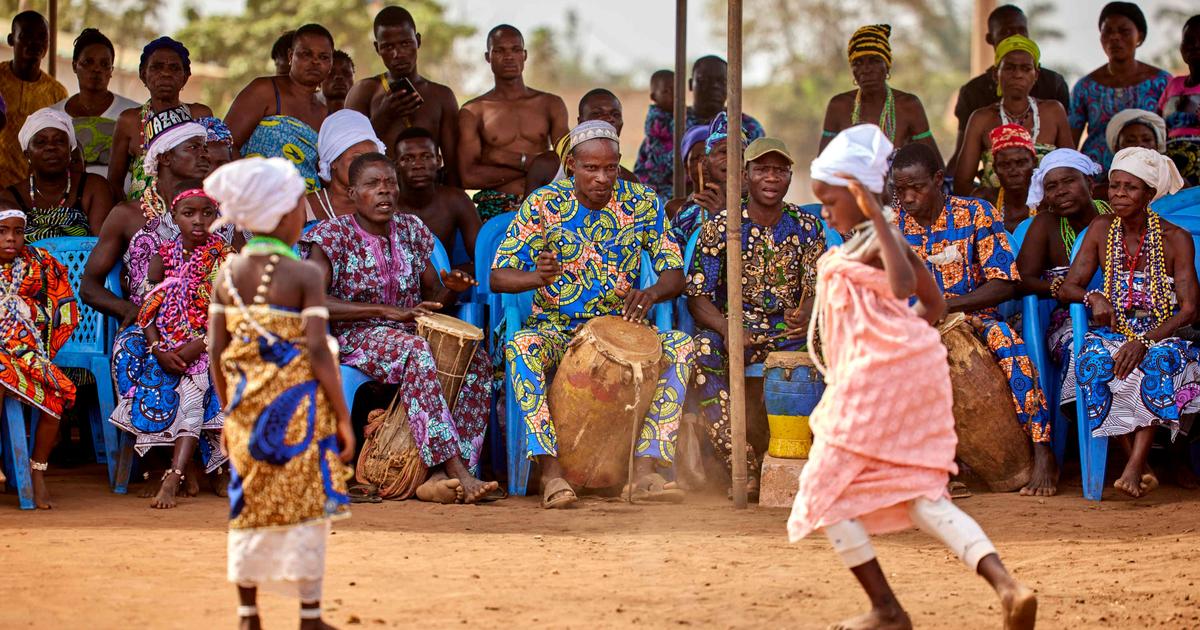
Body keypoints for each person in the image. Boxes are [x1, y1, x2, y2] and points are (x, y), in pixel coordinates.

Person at [790, 123, 1037, 630]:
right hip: (902, 376)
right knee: (922, 495)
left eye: (831, 201)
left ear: (858, 193)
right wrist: (900, 336)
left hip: (875, 385)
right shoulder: (868, 242)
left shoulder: (879, 240)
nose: (827, 212)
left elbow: (903, 283)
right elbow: (933, 303)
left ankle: (886, 609)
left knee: (823, 491)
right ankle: (1008, 587)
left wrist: (885, 348)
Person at [491, 120, 693, 508]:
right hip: (557, 330)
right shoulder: (544, 204)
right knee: (521, 346)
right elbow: (498, 276)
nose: (602, 178)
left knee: (681, 346)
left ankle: (645, 469)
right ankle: (551, 474)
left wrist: (650, 294)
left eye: (610, 168)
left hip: (622, 330)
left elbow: (674, 272)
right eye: (591, 168)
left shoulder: (643, 202)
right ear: (571, 165)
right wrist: (538, 275)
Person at [204, 157, 352, 630]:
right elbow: (318, 351)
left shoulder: (225, 277)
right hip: (301, 415)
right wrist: (344, 416)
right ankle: (309, 616)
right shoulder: (305, 274)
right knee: (307, 507)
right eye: (300, 207)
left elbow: (215, 350)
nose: (305, 214)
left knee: (247, 506)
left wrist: (229, 410)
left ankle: (249, 615)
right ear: (284, 215)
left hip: (246, 412)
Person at [303, 152, 499, 504]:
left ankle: (445, 477)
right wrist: (384, 310)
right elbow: (313, 301)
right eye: (372, 185)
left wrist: (449, 287)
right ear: (352, 194)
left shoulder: (410, 230)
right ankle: (455, 469)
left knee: (477, 363)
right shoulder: (332, 235)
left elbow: (432, 297)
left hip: (407, 330)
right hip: (354, 336)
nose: (385, 192)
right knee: (417, 352)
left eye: (390, 183)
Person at [890, 142, 1057, 497]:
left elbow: (1004, 284)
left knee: (1010, 348)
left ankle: (1043, 450)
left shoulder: (974, 213)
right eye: (899, 189)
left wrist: (950, 307)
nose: (907, 197)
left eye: (916, 187)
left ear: (938, 180)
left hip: (977, 319)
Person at [686, 137, 825, 487]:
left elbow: (818, 285)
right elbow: (697, 297)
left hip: (788, 333)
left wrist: (806, 312)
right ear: (746, 175)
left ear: (791, 177)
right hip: (736, 327)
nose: (772, 177)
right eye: (763, 169)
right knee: (701, 350)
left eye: (780, 170)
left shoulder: (807, 227)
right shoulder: (722, 227)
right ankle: (741, 462)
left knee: (835, 346)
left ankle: (818, 457)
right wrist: (727, 327)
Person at [1058, 148, 1195, 498]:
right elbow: (1070, 286)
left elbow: (1190, 309)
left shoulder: (1175, 239)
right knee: (1091, 359)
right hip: (1114, 332)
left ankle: (1134, 467)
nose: (1118, 194)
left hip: (1164, 334)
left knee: (1157, 362)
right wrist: (1093, 297)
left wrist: (1146, 340)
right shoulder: (1102, 229)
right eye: (1114, 186)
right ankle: (1137, 461)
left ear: (1149, 195)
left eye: (1130, 188)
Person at [109, 178, 232, 509]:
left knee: (193, 393)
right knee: (154, 376)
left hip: (210, 343)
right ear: (173, 215)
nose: (198, 221)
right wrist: (157, 349)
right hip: (168, 345)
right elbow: (147, 310)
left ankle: (176, 476)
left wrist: (200, 344)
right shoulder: (162, 256)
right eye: (189, 213)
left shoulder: (224, 256)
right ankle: (172, 466)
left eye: (208, 213)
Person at [0, 207, 80, 508]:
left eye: (18, 231)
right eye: (3, 232)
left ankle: (37, 471)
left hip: (26, 348)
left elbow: (64, 306)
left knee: (59, 392)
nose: (11, 239)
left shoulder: (38, 263)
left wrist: (30, 310)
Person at [458, 24, 569, 222]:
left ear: (524, 55)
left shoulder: (550, 104)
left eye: (515, 50)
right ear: (487, 57)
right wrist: (531, 165)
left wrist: (504, 158)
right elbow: (468, 176)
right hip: (495, 205)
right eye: (499, 50)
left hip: (545, 202)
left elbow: (565, 164)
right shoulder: (473, 111)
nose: (509, 57)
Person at [346, 6, 461, 185]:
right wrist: (384, 116)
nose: (397, 54)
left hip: (429, 195)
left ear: (418, 41)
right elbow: (349, 155)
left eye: (405, 44)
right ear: (377, 48)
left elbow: (453, 167)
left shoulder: (441, 96)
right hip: (380, 194)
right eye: (388, 47)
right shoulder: (364, 91)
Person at [953, 35, 1073, 199]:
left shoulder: (1053, 112)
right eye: (1010, 68)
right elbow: (962, 184)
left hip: (1049, 211)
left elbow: (1072, 170)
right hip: (995, 213)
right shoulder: (981, 119)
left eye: (1025, 68)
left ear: (1036, 74)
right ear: (996, 74)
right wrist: (995, 205)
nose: (1017, 75)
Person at [952, 4, 1070, 168]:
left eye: (1022, 31)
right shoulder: (973, 93)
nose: (1015, 37)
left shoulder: (1053, 85)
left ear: (1035, 74)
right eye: (1005, 32)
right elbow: (962, 160)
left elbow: (1069, 158)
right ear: (990, 39)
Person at [226, 23, 334, 193]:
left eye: (324, 57)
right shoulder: (265, 90)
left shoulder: (326, 114)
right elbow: (225, 143)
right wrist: (253, 190)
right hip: (254, 202)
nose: (315, 61)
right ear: (291, 56)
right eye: (307, 54)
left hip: (307, 211)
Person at [1070, 2, 1172, 174]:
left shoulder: (1162, 82)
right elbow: (1070, 143)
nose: (1115, 37)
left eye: (1124, 31)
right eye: (1107, 31)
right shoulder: (1085, 87)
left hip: (1150, 177)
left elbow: (1172, 136)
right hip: (1097, 179)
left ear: (1140, 36)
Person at [109, 37, 213, 201]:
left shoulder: (200, 115)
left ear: (185, 76)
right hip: (142, 218)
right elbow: (114, 183)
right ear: (143, 75)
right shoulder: (129, 121)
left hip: (190, 216)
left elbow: (214, 169)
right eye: (157, 67)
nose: (165, 73)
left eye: (174, 68)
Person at [819, 25, 937, 154]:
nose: (866, 69)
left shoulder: (908, 105)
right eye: (858, 63)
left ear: (887, 66)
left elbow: (934, 165)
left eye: (874, 61)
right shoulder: (839, 106)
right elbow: (823, 167)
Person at [1, 108, 114, 241]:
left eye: (59, 141)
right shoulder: (10, 197)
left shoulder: (94, 187)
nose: (51, 147)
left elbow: (104, 244)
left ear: (70, 150)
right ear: (27, 155)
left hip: (90, 262)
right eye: (40, 142)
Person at [51, 29, 139, 179]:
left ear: (111, 70)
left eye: (104, 64)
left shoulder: (134, 113)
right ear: (74, 65)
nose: (97, 69)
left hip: (123, 200)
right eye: (88, 62)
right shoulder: (53, 116)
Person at [395, 126, 480, 270]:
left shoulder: (456, 200)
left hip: (446, 287)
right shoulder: (387, 205)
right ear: (396, 165)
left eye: (426, 157)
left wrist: (450, 276)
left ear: (439, 161)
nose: (418, 165)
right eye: (408, 158)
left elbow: (482, 258)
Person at [0, 12, 68, 188]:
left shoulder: (57, 93)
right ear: (11, 39)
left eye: (41, 37)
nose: (35, 42)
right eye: (26, 36)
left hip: (31, 191)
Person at [525, 89, 639, 190]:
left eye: (615, 114)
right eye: (597, 113)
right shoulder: (547, 166)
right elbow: (527, 213)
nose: (609, 118)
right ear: (580, 122)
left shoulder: (629, 181)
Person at [670, 113, 747, 245]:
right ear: (706, 163)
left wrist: (723, 215)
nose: (732, 159)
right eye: (724, 152)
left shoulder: (757, 206)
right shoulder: (688, 215)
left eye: (739, 154)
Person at [307, 109, 386, 222]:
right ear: (333, 161)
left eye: (372, 157)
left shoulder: (385, 206)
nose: (367, 166)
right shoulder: (303, 209)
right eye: (357, 158)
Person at [1159, 16, 1200, 187]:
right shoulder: (1174, 84)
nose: (1195, 45)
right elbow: (1158, 122)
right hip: (1171, 162)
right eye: (1189, 40)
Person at [982, 124, 1038, 233]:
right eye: (1005, 165)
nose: (1014, 172)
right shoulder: (983, 203)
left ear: (1034, 164)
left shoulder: (1047, 203)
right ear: (995, 169)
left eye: (1021, 163)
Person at [633, 69, 676, 198]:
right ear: (654, 97)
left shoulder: (676, 114)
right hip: (656, 176)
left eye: (676, 89)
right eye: (666, 91)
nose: (673, 94)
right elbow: (668, 132)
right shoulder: (656, 116)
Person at [663, 124, 711, 223]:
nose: (703, 163)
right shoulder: (674, 209)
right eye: (697, 158)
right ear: (686, 166)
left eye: (709, 156)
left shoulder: (735, 206)